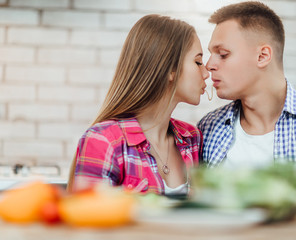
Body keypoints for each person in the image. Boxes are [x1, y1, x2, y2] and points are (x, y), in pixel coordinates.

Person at [197, 1, 296, 168]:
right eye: (211, 54)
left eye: (223, 54)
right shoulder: (207, 129)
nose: (209, 65)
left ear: (262, 56)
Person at [67, 14, 209, 196]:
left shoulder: (192, 139)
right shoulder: (105, 141)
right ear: (170, 70)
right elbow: (89, 218)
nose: (206, 73)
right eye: (197, 62)